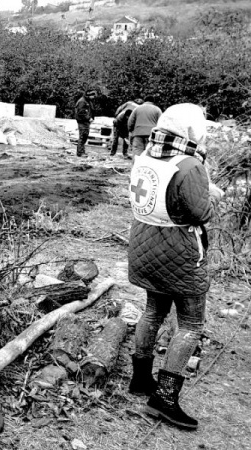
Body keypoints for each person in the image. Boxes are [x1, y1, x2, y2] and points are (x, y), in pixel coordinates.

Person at [127, 103, 224, 431]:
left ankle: (140, 380)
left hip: (146, 247)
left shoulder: (145, 157)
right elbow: (201, 213)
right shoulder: (190, 165)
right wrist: (212, 196)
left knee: (152, 311)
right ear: (192, 130)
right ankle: (165, 398)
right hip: (180, 255)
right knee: (191, 323)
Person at [74, 89, 97, 157]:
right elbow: (80, 112)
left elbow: (91, 111)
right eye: (93, 96)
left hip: (86, 122)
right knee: (82, 136)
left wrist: (91, 118)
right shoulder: (82, 101)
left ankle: (82, 151)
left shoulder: (87, 101)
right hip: (82, 121)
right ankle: (80, 153)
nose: (94, 97)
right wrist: (88, 118)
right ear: (89, 95)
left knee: (85, 136)